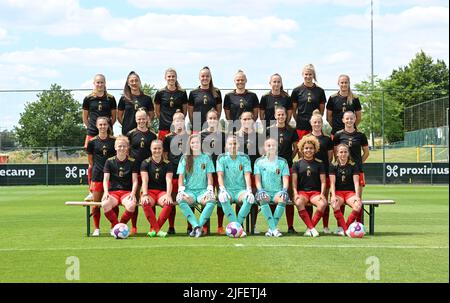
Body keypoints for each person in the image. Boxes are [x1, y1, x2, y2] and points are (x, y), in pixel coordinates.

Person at [82, 74, 117, 201]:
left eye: (102, 82)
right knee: (92, 164)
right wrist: (93, 128)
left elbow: (114, 117)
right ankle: (91, 190)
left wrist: (105, 128)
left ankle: (113, 188)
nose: (99, 85)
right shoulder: (88, 99)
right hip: (91, 133)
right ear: (94, 83)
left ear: (105, 83)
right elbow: (85, 118)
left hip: (107, 133)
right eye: (97, 82)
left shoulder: (111, 98)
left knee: (110, 161)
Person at [333, 111, 369, 227]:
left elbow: (366, 153)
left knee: (358, 199)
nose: (349, 121)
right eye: (347, 119)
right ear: (343, 120)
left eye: (351, 118)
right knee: (341, 199)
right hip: (342, 170)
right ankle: (341, 226)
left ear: (355, 119)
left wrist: (357, 164)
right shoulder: (338, 135)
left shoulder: (361, 135)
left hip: (357, 171)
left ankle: (358, 226)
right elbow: (335, 152)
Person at [176, 134, 216, 238]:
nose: (195, 144)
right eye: (193, 142)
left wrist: (210, 190)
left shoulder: (206, 157)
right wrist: (181, 190)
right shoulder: (184, 158)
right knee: (180, 199)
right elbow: (181, 176)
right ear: (189, 144)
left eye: (197, 142)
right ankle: (196, 226)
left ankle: (197, 227)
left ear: (201, 144)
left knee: (211, 200)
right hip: (189, 191)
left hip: (203, 191)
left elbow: (210, 176)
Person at [266, 106, 299, 233]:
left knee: (288, 196)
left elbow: (296, 147)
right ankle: (272, 225)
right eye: (278, 115)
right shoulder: (269, 130)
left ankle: (290, 226)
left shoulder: (291, 130)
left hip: (287, 167)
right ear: (275, 116)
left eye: (282, 115)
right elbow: (264, 148)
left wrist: (289, 158)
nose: (280, 117)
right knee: (273, 195)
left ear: (286, 116)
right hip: (272, 167)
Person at [126, 109, 158, 235]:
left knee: (150, 199)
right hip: (134, 171)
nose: (141, 121)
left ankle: (152, 226)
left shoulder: (152, 135)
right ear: (135, 120)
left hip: (148, 170)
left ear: (147, 119)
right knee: (134, 199)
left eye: (143, 118)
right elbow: (127, 151)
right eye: (139, 119)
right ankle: (134, 227)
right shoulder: (130, 134)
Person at [216, 135, 255, 237]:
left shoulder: (244, 158)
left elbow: (247, 175)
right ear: (226, 146)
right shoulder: (221, 158)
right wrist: (222, 189)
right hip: (227, 190)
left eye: (235, 144)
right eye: (230, 144)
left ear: (239, 145)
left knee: (250, 198)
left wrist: (249, 190)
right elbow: (220, 175)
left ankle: (236, 228)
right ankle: (239, 229)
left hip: (240, 191)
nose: (233, 146)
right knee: (222, 197)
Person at [85, 117, 117, 236]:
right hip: (97, 176)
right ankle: (96, 228)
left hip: (112, 176)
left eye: (105, 124)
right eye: (100, 124)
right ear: (97, 126)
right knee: (96, 203)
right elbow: (91, 161)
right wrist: (99, 169)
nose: (103, 126)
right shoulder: (92, 142)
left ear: (108, 126)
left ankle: (113, 227)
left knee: (113, 203)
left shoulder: (114, 141)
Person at [101, 136, 139, 231]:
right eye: (119, 146)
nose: (122, 148)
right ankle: (116, 226)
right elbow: (105, 180)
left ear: (127, 147)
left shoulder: (133, 162)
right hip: (113, 193)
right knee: (105, 204)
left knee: (131, 206)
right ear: (115, 147)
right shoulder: (109, 161)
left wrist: (133, 193)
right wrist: (105, 192)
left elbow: (135, 181)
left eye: (124, 146)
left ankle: (120, 226)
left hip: (126, 193)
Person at [254, 138, 290, 237]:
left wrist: (284, 190)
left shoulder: (283, 162)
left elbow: (285, 179)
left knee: (283, 199)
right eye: (268, 145)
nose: (271, 147)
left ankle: (271, 228)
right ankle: (274, 229)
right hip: (264, 191)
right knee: (262, 198)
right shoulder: (259, 162)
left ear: (277, 147)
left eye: (273, 145)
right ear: (265, 148)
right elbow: (257, 179)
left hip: (278, 192)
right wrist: (260, 190)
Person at [305, 110, 334, 234]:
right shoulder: (306, 138)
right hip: (310, 173)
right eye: (314, 122)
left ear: (322, 123)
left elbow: (330, 157)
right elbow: (303, 156)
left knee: (324, 200)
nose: (317, 124)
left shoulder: (327, 139)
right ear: (311, 123)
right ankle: (310, 225)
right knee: (309, 201)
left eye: (319, 122)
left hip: (324, 173)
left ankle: (325, 226)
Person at [292, 135, 327, 237]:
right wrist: (295, 194)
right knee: (298, 202)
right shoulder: (297, 164)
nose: (308, 150)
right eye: (306, 148)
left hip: (315, 193)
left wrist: (322, 194)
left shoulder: (320, 163)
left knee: (323, 204)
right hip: (302, 192)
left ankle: (309, 228)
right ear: (302, 149)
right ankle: (312, 228)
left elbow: (323, 181)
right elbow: (294, 182)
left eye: (311, 148)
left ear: (315, 149)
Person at [235, 111, 263, 233]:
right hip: (238, 173)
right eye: (244, 119)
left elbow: (262, 155)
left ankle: (253, 225)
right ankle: (239, 224)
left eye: (249, 119)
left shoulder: (258, 136)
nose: (246, 121)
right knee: (239, 199)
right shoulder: (235, 136)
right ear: (240, 120)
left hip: (253, 173)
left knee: (254, 199)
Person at [163, 111, 190, 234]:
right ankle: (171, 226)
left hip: (188, 174)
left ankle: (190, 226)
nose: (179, 122)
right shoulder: (168, 138)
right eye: (176, 120)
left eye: (181, 119)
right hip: (173, 173)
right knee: (172, 201)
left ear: (184, 121)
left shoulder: (190, 137)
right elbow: (165, 156)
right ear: (173, 123)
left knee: (190, 200)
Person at [140, 140, 174, 238]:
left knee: (168, 203)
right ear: (151, 149)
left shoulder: (168, 164)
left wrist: (168, 195)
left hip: (161, 192)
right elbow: (144, 180)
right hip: (149, 192)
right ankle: (158, 230)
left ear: (162, 149)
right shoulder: (145, 163)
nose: (157, 150)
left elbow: (169, 180)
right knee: (145, 202)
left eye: (159, 148)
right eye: (154, 148)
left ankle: (154, 229)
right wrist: (145, 194)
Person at [200, 109, 227, 234]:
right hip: (206, 172)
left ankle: (220, 226)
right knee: (206, 197)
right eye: (210, 118)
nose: (212, 120)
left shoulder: (223, 135)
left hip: (220, 171)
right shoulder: (201, 135)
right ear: (206, 120)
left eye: (214, 118)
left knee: (221, 197)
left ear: (218, 119)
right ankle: (204, 226)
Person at [329, 143, 362, 237]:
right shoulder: (333, 166)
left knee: (358, 205)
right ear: (337, 154)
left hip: (349, 193)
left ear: (348, 153)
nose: (343, 154)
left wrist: (357, 196)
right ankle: (347, 230)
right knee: (334, 204)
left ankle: (345, 228)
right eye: (341, 152)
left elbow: (356, 182)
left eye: (345, 152)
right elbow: (332, 183)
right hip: (338, 193)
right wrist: (333, 196)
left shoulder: (353, 165)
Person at [291, 64, 326, 139]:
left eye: (310, 74)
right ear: (302, 75)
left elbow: (322, 111)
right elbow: (293, 110)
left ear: (313, 75)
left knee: (316, 149)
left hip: (315, 127)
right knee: (302, 149)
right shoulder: (296, 90)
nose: (308, 76)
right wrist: (299, 121)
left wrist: (316, 121)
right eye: (306, 74)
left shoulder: (320, 91)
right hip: (301, 126)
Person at [154, 68, 188, 140]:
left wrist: (178, 121)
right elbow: (157, 111)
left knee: (179, 150)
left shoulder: (182, 93)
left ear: (176, 78)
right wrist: (164, 120)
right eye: (169, 76)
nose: (171, 78)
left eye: (173, 76)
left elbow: (184, 112)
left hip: (178, 128)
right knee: (163, 149)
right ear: (165, 78)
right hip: (164, 127)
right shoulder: (160, 93)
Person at [118, 71, 154, 136]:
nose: (134, 83)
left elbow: (151, 115)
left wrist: (145, 125)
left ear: (139, 82)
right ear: (128, 83)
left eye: (136, 80)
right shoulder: (124, 98)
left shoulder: (147, 98)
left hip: (143, 132)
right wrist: (126, 125)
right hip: (127, 132)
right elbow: (119, 116)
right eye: (131, 81)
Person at [188, 66, 222, 132]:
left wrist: (214, 124)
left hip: (212, 128)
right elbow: (190, 113)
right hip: (197, 127)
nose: (205, 78)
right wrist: (195, 125)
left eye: (207, 76)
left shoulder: (216, 92)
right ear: (199, 77)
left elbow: (219, 112)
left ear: (210, 77)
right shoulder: (193, 93)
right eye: (203, 76)